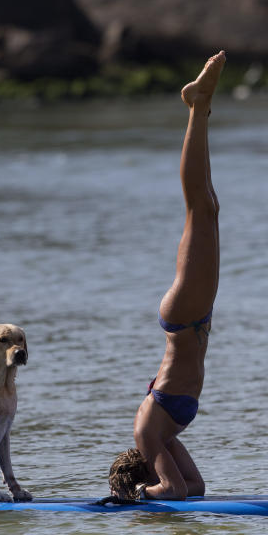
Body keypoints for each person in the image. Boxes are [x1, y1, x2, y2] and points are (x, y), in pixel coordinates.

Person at [108, 51, 225, 501]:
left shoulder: (147, 435)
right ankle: (202, 109)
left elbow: (171, 491)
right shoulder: (164, 439)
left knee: (199, 207)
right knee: (209, 207)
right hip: (194, 318)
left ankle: (198, 105)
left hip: (185, 317)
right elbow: (192, 489)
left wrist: (135, 497)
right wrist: (157, 491)